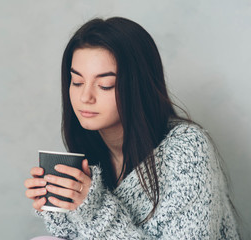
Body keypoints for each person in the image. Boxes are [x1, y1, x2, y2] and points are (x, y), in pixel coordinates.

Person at [24, 17, 239, 239]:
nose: (84, 97)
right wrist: (60, 206)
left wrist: (95, 210)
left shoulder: (188, 149)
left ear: (139, 86)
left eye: (105, 85)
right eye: (76, 82)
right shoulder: (92, 150)